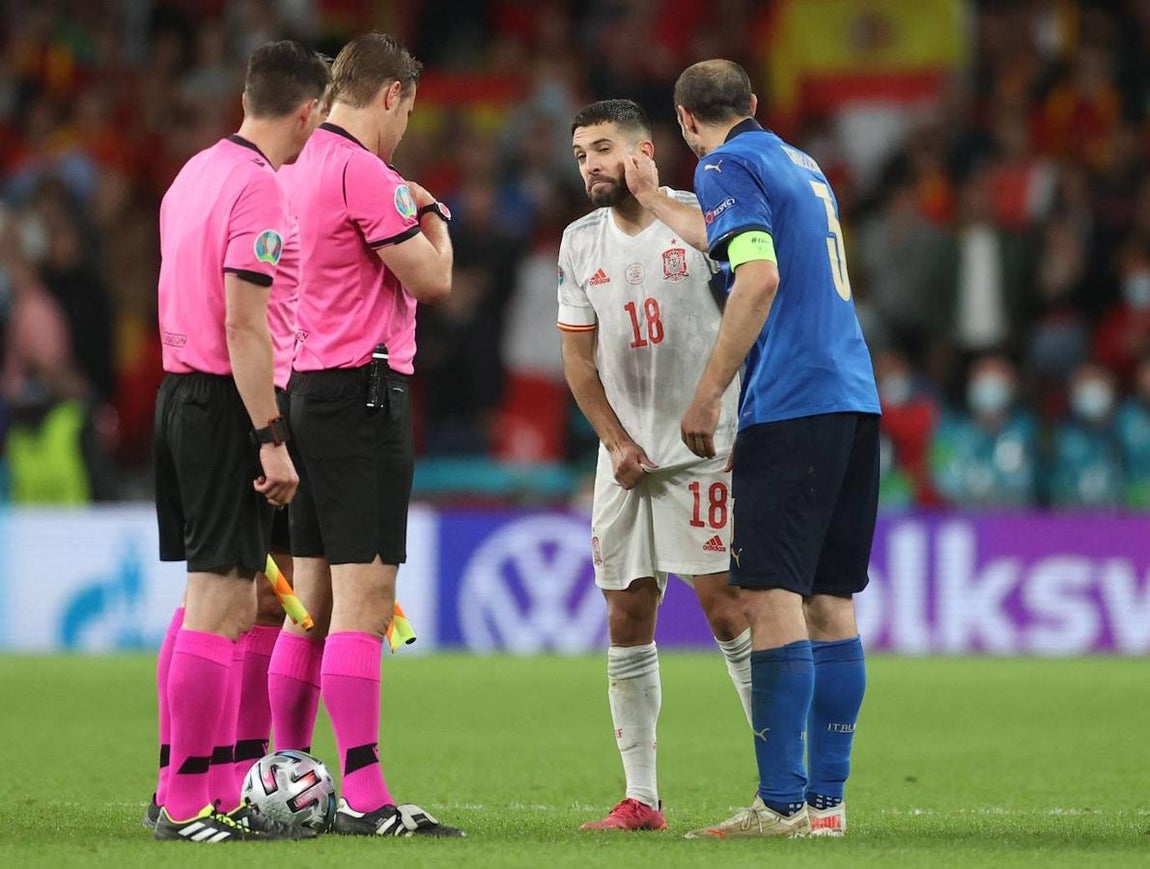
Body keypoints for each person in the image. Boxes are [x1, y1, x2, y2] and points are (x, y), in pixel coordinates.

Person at [674, 60, 881, 839]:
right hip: (853, 396)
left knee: (769, 595)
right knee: (830, 598)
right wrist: (656, 199)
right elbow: (736, 242)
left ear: (687, 122)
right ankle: (826, 806)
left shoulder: (722, 166)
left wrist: (708, 393)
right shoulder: (802, 164)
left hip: (792, 399)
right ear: (754, 103)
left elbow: (755, 277)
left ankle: (781, 801)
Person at [266, 32, 463, 838]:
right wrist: (433, 214)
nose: (404, 127)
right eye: (407, 111)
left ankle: (283, 774)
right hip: (364, 396)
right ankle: (364, 793)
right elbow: (434, 279)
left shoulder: (294, 165)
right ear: (390, 96)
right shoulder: (364, 172)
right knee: (364, 601)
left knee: (308, 600)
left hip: (305, 390)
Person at [150, 40, 329, 842]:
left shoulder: (194, 172)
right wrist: (269, 436)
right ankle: (187, 801)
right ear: (307, 111)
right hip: (229, 402)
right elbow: (244, 322)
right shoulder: (259, 188)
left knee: (207, 599)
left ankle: (194, 782)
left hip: (179, 392)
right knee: (223, 605)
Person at [558, 99, 753, 833]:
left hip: (704, 447)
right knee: (627, 611)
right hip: (626, 458)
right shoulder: (579, 242)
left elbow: (753, 304)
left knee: (726, 606)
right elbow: (579, 362)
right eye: (581, 154)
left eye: (603, 148)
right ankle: (642, 797)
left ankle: (784, 785)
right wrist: (613, 441)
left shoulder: (700, 219)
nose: (590, 165)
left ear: (644, 152)